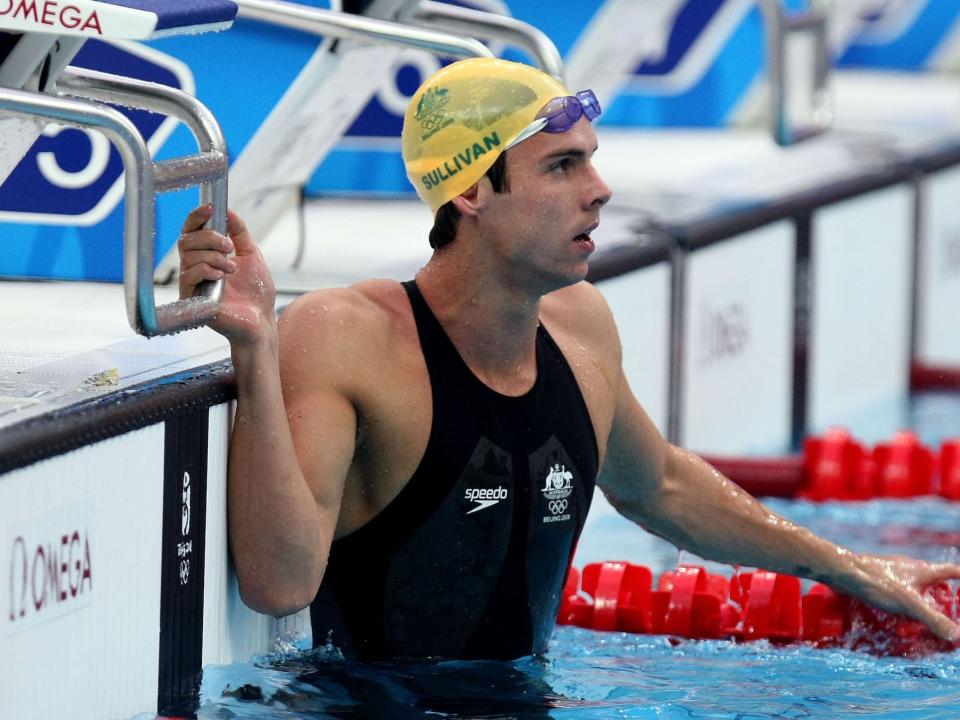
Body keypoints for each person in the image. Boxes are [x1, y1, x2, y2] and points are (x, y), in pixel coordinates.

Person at [177, 57, 960, 660]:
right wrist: (257, 349)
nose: (602, 188)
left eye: (592, 159)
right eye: (563, 167)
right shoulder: (349, 337)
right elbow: (281, 585)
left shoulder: (580, 326)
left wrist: (848, 567)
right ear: (471, 193)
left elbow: (661, 485)